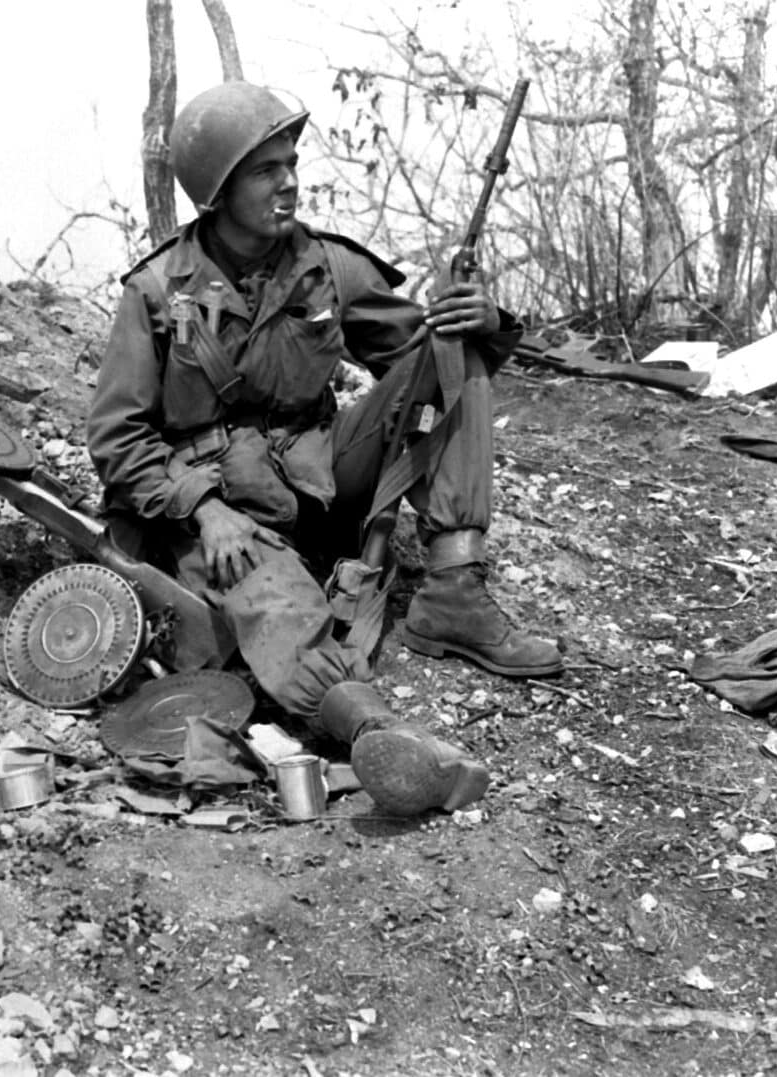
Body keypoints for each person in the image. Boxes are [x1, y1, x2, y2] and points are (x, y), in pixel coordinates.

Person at [86, 81, 562, 816]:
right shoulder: (156, 293)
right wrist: (203, 508)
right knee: (271, 598)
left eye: (291, 163)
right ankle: (373, 728)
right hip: (225, 509)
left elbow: (424, 359)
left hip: (321, 477)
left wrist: (484, 319)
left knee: (453, 351)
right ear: (217, 192)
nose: (289, 183)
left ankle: (454, 593)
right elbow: (117, 436)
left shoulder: (325, 266)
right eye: (266, 170)